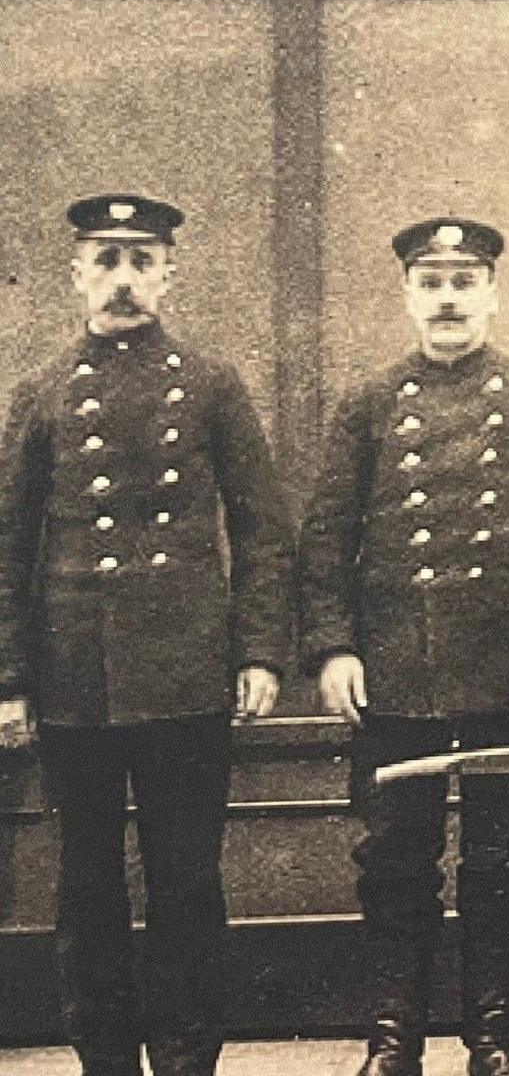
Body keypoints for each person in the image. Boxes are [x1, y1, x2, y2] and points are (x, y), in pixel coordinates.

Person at [298, 217, 509, 1076]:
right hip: (393, 675)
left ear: (492, 292)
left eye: (464, 281)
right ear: (408, 297)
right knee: (393, 864)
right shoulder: (370, 404)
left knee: (505, 859)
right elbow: (325, 539)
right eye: (430, 282)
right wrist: (333, 649)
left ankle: (492, 1043)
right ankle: (392, 1045)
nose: (448, 298)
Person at [0, 193, 293, 1076]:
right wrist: (10, 680)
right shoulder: (42, 393)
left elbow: (263, 526)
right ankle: (106, 1065)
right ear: (76, 272)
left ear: (170, 273)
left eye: (141, 261)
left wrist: (259, 652)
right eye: (106, 260)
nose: (123, 279)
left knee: (187, 886)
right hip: (74, 681)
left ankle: (187, 1062)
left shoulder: (209, 383)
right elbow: (7, 544)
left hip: (187, 674)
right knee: (86, 889)